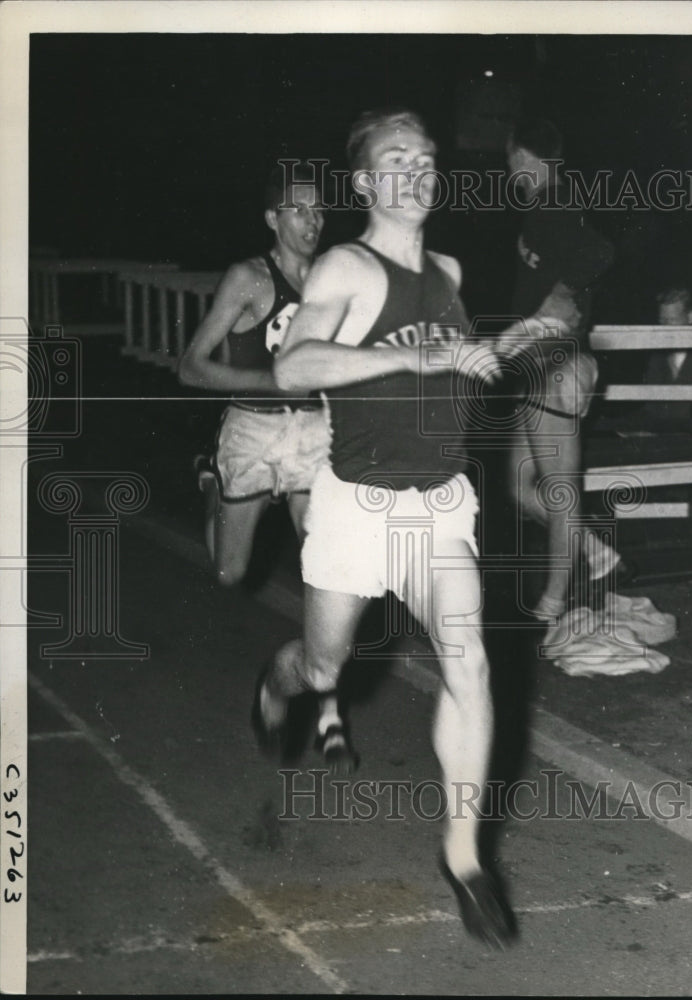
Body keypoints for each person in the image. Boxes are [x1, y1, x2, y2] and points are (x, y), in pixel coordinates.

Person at [252, 107, 519, 949]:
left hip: (438, 504)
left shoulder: (448, 268)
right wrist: (413, 357)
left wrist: (477, 366)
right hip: (357, 505)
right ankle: (277, 682)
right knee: (323, 663)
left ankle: (464, 855)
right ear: (365, 182)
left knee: (469, 661)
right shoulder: (346, 264)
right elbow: (292, 365)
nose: (417, 170)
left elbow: (450, 378)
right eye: (396, 159)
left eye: (428, 158)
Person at [178, 165, 357, 774]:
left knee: (327, 565)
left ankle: (327, 701)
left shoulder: (336, 278)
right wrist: (272, 378)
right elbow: (192, 367)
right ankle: (213, 481)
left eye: (319, 211)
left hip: (312, 434)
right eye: (300, 211)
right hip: (252, 429)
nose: (314, 222)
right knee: (231, 572)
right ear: (273, 219)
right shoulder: (248, 279)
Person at [502, 118, 620, 621]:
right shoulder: (542, 211)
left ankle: (552, 602)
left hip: (558, 367)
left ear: (525, 158)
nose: (510, 172)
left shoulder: (555, 199)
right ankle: (594, 553)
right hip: (537, 367)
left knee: (557, 489)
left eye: (511, 162)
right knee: (517, 486)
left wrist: (564, 292)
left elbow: (601, 249)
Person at [641, 287, 692, 433]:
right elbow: (650, 410)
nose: (665, 328)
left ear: (690, 317)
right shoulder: (656, 358)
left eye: (672, 320)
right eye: (662, 320)